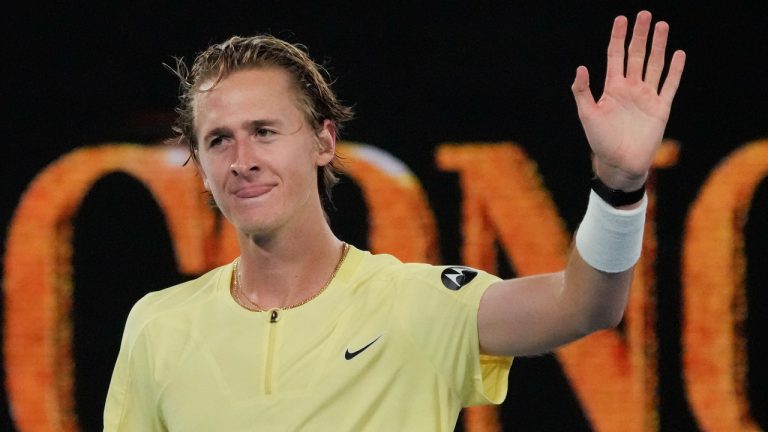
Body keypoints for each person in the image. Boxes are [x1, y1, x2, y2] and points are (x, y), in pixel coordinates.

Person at [104, 10, 685, 431]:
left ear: (322, 140)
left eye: (264, 131)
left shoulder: (418, 304)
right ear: (201, 167)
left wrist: (618, 184)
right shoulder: (158, 326)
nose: (243, 160)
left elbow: (586, 306)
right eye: (218, 141)